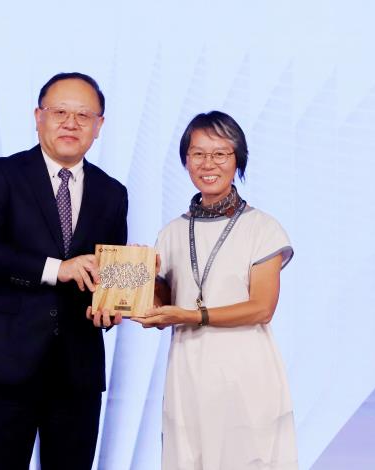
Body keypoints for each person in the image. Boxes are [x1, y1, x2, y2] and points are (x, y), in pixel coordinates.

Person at [0, 72, 127, 469]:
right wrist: (57, 268)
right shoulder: (3, 174)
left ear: (99, 126)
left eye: (84, 115)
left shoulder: (113, 192)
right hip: (6, 362)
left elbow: (110, 270)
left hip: (78, 369)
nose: (71, 123)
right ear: (38, 117)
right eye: (60, 112)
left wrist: (114, 306)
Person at [134, 111, 298, 469]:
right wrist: (129, 283)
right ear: (186, 160)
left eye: (220, 153)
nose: (208, 164)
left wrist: (192, 315)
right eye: (198, 153)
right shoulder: (172, 232)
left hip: (245, 373)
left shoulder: (263, 228)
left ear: (237, 159)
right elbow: (159, 307)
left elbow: (261, 308)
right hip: (188, 372)